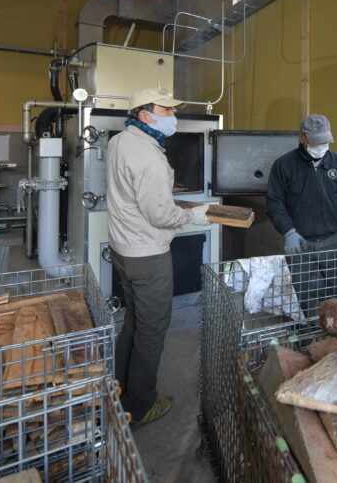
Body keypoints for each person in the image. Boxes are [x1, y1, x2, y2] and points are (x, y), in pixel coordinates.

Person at [106, 87, 211, 425]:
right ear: (144, 115)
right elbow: (161, 216)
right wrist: (196, 216)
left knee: (133, 322)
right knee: (151, 332)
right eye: (167, 111)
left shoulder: (120, 141)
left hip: (123, 249)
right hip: (147, 255)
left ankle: (116, 388)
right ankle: (140, 405)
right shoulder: (150, 157)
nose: (174, 117)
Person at [267, 114, 337, 317]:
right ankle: (305, 338)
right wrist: (288, 231)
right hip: (300, 244)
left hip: (333, 241)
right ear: (302, 138)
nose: (322, 145)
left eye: (325, 140)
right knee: (301, 297)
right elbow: (274, 203)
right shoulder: (284, 165)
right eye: (317, 141)